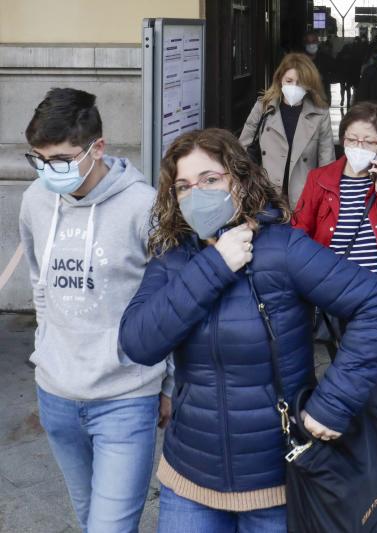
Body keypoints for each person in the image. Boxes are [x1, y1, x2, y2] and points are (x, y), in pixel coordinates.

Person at [118, 128, 377, 532]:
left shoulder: (281, 250)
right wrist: (214, 266)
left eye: (210, 180)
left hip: (278, 482)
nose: (196, 193)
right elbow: (138, 343)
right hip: (189, 479)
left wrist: (333, 404)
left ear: (239, 179)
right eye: (183, 186)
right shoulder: (173, 259)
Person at [19, 88, 172, 532]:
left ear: (98, 148)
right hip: (56, 394)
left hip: (126, 395)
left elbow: (169, 303)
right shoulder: (35, 200)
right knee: (90, 521)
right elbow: (39, 281)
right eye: (39, 160)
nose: (50, 172)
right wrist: (42, 351)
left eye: (62, 161)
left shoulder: (144, 206)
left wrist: (169, 384)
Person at [293, 103, 377, 505]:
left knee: (376, 405)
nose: (359, 146)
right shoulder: (321, 180)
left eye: (368, 141)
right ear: (342, 139)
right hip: (332, 308)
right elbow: (299, 235)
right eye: (352, 139)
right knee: (328, 398)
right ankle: (341, 478)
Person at [239, 53, 335, 210]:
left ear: (310, 85)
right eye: (289, 81)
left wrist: (323, 199)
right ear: (280, 79)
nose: (294, 87)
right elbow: (242, 148)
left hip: (303, 196)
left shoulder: (320, 113)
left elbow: (327, 161)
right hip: (265, 194)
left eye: (300, 83)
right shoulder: (263, 107)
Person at [302, 30, 335, 104]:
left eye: (313, 41)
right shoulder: (300, 60)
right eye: (308, 42)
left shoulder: (326, 59)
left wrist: (324, 77)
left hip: (322, 99)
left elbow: (336, 74)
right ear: (304, 44)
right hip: (304, 100)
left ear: (318, 42)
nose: (311, 45)